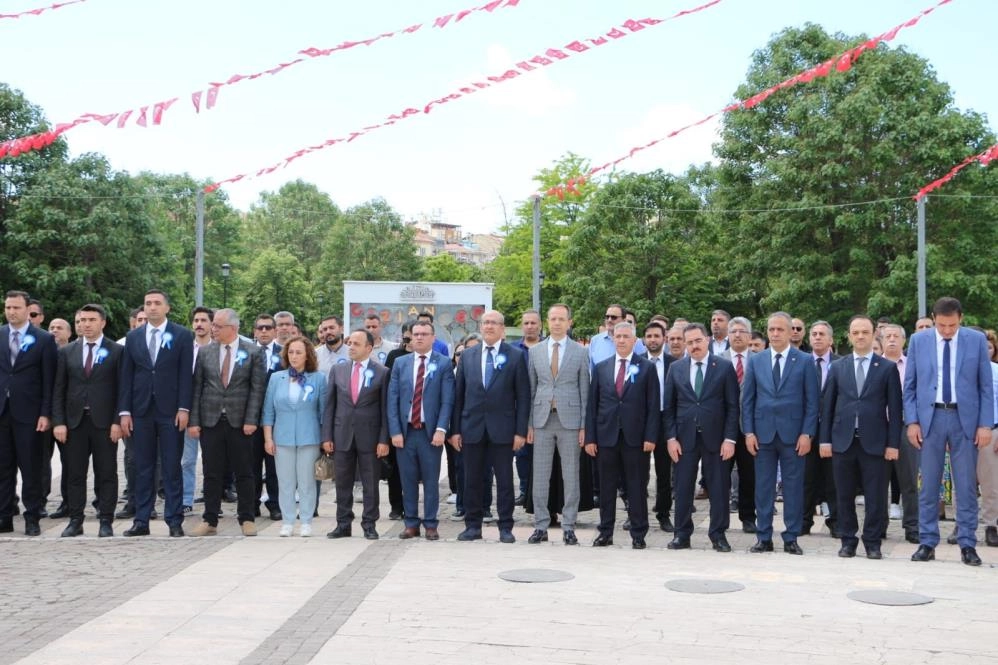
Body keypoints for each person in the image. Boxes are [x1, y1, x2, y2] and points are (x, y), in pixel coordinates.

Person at [905, 297, 993, 566]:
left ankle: (968, 543)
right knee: (928, 484)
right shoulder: (919, 341)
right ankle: (927, 542)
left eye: (952, 325)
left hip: (964, 419)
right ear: (933, 319)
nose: (946, 331)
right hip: (930, 419)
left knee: (966, 485)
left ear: (961, 319)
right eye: (941, 325)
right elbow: (910, 386)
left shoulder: (975, 341)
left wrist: (985, 424)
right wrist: (912, 422)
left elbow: (985, 386)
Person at [819, 315, 902, 559]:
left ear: (874, 335)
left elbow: (895, 411)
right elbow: (828, 406)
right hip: (843, 442)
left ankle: (873, 541)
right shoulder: (838, 367)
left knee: (876, 495)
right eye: (856, 332)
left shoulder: (886, 368)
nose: (860, 336)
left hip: (875, 443)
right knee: (843, 494)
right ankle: (847, 540)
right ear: (849, 335)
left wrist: (893, 444)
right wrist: (825, 440)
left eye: (865, 332)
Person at [118, 289, 194, 538]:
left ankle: (174, 520)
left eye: (157, 303)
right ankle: (141, 519)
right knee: (143, 467)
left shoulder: (182, 335)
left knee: (172, 466)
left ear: (167, 308)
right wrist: (125, 412)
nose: (151, 307)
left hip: (170, 411)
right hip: (140, 411)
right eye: (147, 303)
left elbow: (186, 375)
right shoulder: (133, 337)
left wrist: (184, 408)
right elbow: (127, 376)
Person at [742, 311, 820, 555]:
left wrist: (807, 433)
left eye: (780, 330)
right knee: (763, 487)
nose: (774, 334)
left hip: (793, 434)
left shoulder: (805, 361)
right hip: (763, 434)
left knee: (793, 487)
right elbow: (748, 400)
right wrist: (748, 432)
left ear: (789, 332)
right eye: (771, 329)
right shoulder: (756, 360)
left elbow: (812, 401)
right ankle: (763, 536)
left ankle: (791, 537)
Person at [451, 310, 529, 543]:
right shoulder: (468, 356)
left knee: (505, 481)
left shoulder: (515, 356)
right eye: (485, 323)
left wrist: (520, 431)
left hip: (503, 430)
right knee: (472, 479)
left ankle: (505, 527)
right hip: (472, 428)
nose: (489, 327)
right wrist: (455, 430)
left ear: (502, 328)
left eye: (494, 323)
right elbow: (459, 395)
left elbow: (523, 396)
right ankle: (472, 526)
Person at [188, 309, 267, 537]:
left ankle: (247, 517)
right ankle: (210, 519)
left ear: (233, 328)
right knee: (211, 472)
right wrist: (195, 421)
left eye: (218, 326)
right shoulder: (205, 353)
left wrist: (252, 419)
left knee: (245, 471)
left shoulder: (253, 352)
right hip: (211, 420)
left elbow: (257, 389)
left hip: (240, 422)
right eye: (214, 325)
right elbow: (197, 388)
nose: (213, 329)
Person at [663, 323, 740, 552]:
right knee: (683, 488)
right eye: (690, 343)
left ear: (706, 340)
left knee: (718, 488)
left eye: (698, 341)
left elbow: (732, 407)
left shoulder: (724, 367)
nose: (694, 346)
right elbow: (668, 408)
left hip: (716, 439)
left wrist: (730, 439)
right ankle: (682, 534)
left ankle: (718, 535)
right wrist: (671, 438)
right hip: (683, 439)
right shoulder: (676, 368)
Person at [585, 321, 660, 549]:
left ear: (635, 340)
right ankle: (605, 531)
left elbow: (653, 406)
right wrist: (590, 437)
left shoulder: (646, 367)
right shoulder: (602, 367)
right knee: (606, 488)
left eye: (626, 336)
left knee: (636, 487)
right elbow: (592, 405)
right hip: (606, 437)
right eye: (618, 336)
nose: (621, 340)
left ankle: (638, 533)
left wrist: (650, 436)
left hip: (635, 439)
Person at [51, 304, 123, 537]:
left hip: (104, 423)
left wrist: (116, 421)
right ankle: (75, 520)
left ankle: (105, 520)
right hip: (74, 422)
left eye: (91, 320)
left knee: (106, 473)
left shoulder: (116, 351)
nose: (86, 324)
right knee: (74, 473)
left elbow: (122, 390)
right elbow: (59, 389)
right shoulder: (66, 352)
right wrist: (59, 422)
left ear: (102, 322)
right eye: (82, 320)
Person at [525, 304, 589, 546]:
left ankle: (569, 526)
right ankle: (540, 525)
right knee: (540, 475)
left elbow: (585, 390)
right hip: (542, 419)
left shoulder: (581, 352)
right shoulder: (535, 352)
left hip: (570, 421)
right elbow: (531, 389)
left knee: (571, 475)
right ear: (547, 322)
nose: (557, 323)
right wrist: (529, 424)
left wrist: (584, 426)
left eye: (561, 319)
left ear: (569, 322)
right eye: (552, 319)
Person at [387, 320, 455, 540]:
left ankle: (431, 524)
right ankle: (411, 523)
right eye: (415, 334)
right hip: (406, 433)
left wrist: (442, 429)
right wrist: (395, 431)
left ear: (433, 338)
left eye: (424, 334)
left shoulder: (443, 363)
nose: (419, 338)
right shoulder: (400, 363)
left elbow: (447, 400)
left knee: (430, 481)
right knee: (407, 481)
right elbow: (393, 399)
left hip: (430, 433)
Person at [0, 290, 59, 535]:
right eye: (8, 307)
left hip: (31, 414)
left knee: (31, 467)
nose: (11, 312)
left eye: (16, 307)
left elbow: (50, 380)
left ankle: (33, 516)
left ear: (27, 310)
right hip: (2, 412)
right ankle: (4, 516)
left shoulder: (44, 339)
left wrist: (46, 413)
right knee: (3, 468)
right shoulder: (1, 335)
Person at [322, 329, 390, 540]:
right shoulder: (338, 370)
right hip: (342, 434)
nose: (350, 346)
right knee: (342, 482)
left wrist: (383, 439)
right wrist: (327, 436)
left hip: (369, 437)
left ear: (369, 348)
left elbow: (385, 410)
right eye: (350, 342)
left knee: (370, 483)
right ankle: (343, 523)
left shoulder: (382, 372)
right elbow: (330, 406)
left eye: (356, 344)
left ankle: (369, 524)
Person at [261, 336, 326, 537]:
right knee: (285, 482)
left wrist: (325, 439)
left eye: (299, 352)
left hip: (309, 437)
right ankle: (287, 520)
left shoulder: (318, 378)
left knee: (307, 481)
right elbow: (268, 411)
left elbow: (323, 411)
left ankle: (306, 520)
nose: (294, 356)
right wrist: (268, 438)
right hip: (282, 437)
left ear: (307, 355)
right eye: (291, 352)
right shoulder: (276, 378)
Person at [881, 323, 920, 543]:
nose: (892, 340)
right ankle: (879, 525)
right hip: (880, 428)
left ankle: (912, 526)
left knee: (909, 481)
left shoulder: (912, 366)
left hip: (906, 427)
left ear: (904, 341)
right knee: (877, 482)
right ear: (882, 340)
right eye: (888, 336)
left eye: (897, 336)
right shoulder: (875, 364)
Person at [720, 316, 757, 533]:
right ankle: (720, 517)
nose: (737, 335)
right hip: (723, 428)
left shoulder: (759, 360)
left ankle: (748, 516)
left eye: (741, 331)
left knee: (748, 475)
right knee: (721, 475)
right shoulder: (717, 359)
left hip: (750, 428)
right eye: (733, 331)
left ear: (749, 336)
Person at [803, 320, 840, 537]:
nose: (817, 337)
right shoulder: (801, 362)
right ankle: (803, 520)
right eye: (814, 333)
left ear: (831, 339)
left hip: (834, 430)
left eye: (822, 334)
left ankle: (836, 522)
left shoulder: (841, 363)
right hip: (806, 431)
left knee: (834, 479)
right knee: (805, 479)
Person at [641, 320, 675, 532]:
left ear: (664, 338)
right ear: (644, 339)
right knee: (638, 473)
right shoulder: (635, 363)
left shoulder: (674, 364)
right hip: (640, 422)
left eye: (657, 336)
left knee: (664, 473)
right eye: (649, 336)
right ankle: (636, 514)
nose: (653, 340)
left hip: (665, 420)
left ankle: (663, 514)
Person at [181, 307, 214, 514]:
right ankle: (186, 499)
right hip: (188, 410)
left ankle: (213, 501)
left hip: (212, 411)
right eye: (196, 320)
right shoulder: (185, 349)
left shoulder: (220, 349)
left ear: (212, 324)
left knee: (213, 460)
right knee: (187, 459)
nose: (199, 324)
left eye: (203, 320)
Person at [252, 313, 283, 520]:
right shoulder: (245, 352)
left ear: (274, 331)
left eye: (268, 328)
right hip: (251, 418)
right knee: (251, 464)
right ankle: (252, 502)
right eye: (260, 328)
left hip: (277, 419)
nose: (264, 331)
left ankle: (274, 504)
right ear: (254, 331)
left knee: (274, 465)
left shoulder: (285, 353)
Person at [513, 309, 544, 506]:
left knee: (543, 454)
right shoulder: (513, 350)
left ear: (540, 326)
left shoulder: (549, 348)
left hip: (544, 408)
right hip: (519, 410)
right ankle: (525, 490)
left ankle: (541, 492)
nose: (530, 327)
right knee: (522, 454)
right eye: (526, 323)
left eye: (533, 323)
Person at [978, 329, 998, 548]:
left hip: (992, 432)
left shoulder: (996, 371)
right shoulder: (958, 371)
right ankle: (961, 525)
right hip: (963, 433)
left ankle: (991, 525)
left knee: (991, 483)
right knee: (961, 484)